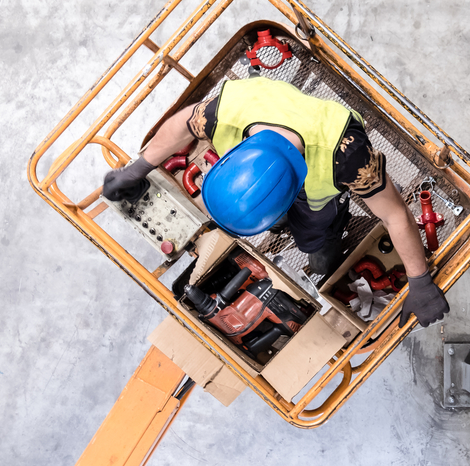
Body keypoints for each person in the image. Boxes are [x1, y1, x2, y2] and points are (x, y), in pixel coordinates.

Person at [102, 76, 449, 327]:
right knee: (300, 229)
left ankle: (327, 240)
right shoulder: (229, 111)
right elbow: (182, 125)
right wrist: (138, 168)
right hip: (282, 143)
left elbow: (395, 216)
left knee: (313, 236)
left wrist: (420, 282)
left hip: (321, 185)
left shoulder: (349, 159)